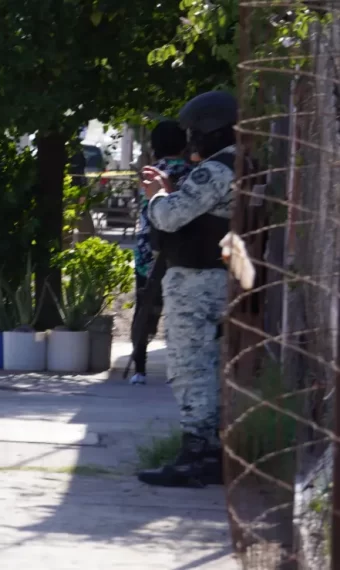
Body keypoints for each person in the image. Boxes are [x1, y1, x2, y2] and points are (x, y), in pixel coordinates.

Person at [137, 91, 237, 488]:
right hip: (223, 279)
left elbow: (170, 215)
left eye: (195, 133)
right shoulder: (246, 164)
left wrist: (158, 194)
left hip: (198, 283)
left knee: (190, 365)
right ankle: (209, 451)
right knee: (210, 366)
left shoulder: (216, 169)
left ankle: (196, 455)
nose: (191, 142)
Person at [129, 120, 192, 386]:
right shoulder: (193, 173)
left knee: (145, 306)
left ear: (154, 147)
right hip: (182, 248)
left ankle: (139, 368)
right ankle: (179, 368)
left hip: (148, 249)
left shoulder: (149, 174)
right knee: (181, 309)